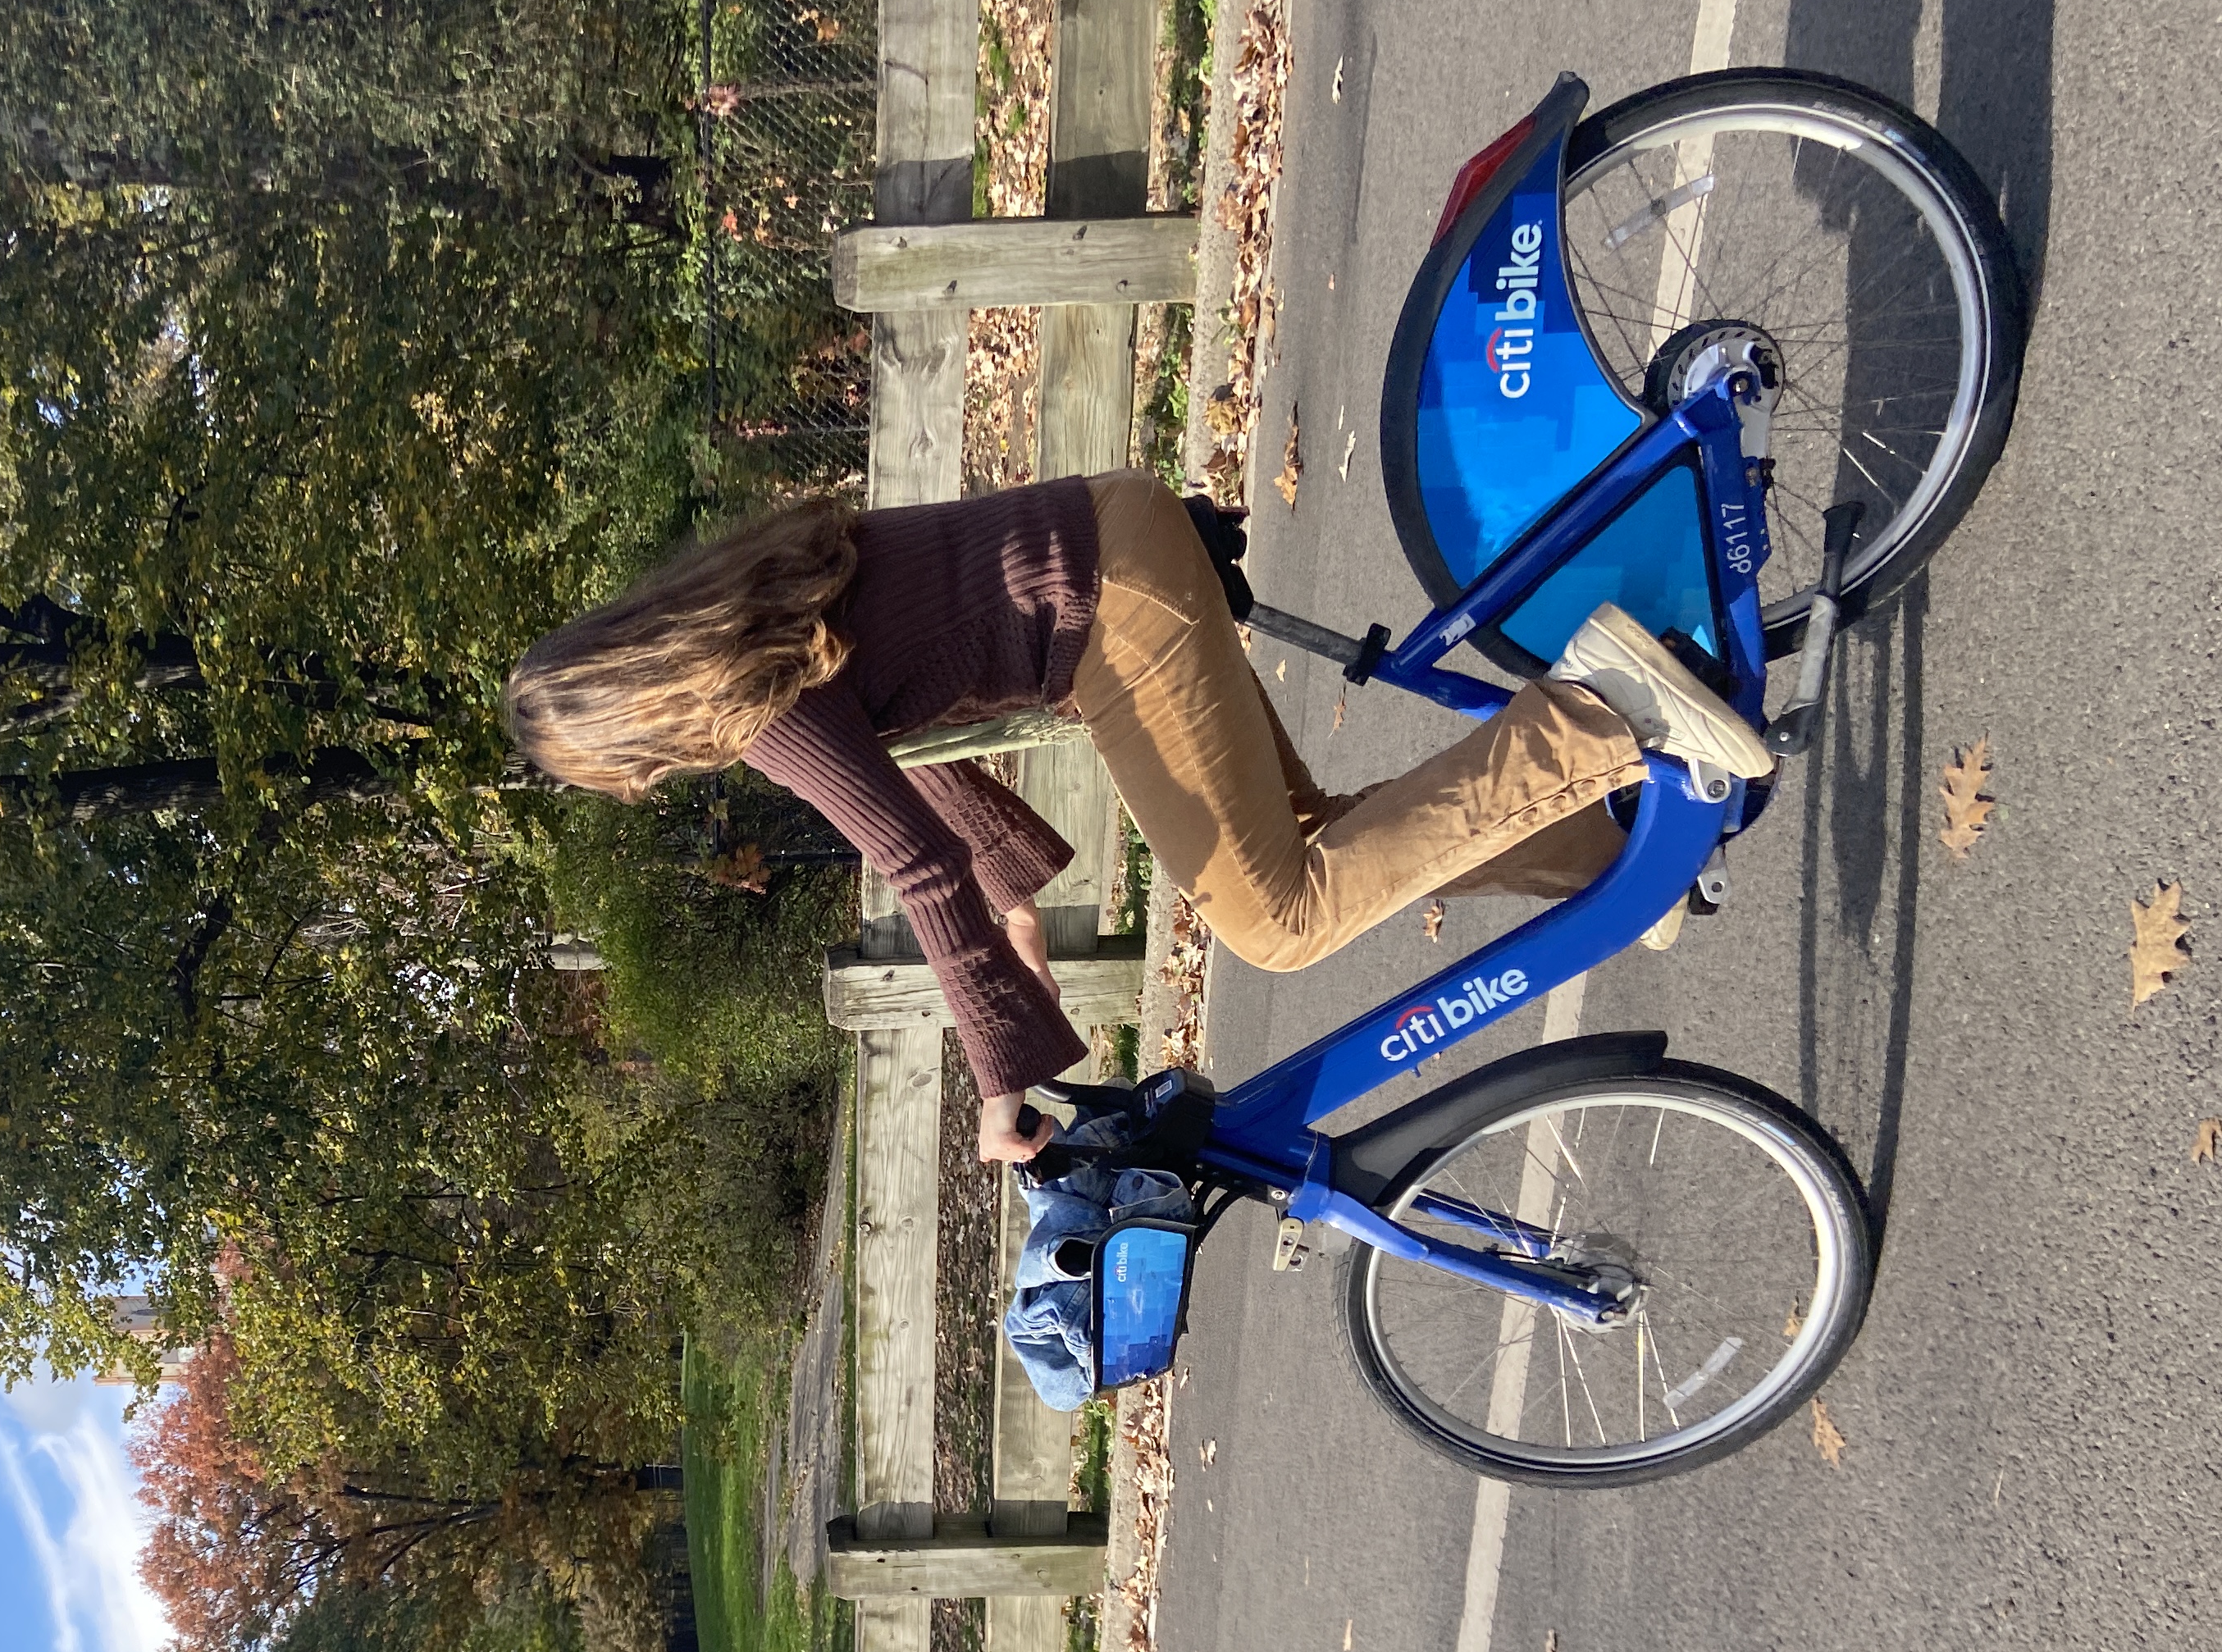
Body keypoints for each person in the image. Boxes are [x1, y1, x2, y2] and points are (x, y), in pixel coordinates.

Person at [502, 471, 1774, 1165]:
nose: (660, 779)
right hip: (1116, 541)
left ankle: (1603, 713)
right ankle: (1619, 859)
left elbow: (910, 864)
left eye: (637, 772)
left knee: (1280, 917)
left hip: (1113, 612)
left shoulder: (756, 708)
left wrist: (1004, 1084)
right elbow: (919, 754)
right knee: (1307, 829)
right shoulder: (761, 614)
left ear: (642, 732)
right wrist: (1018, 902)